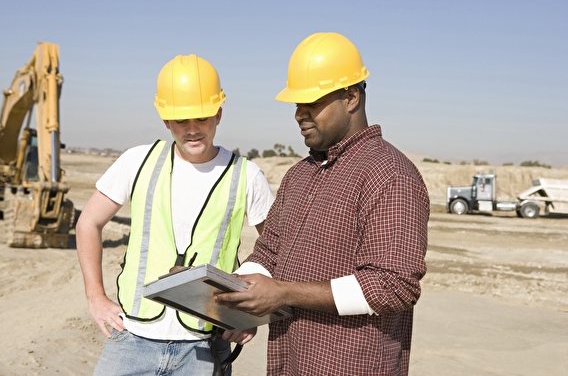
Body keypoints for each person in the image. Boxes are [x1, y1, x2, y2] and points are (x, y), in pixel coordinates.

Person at [214, 32, 430, 375]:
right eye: (296, 104)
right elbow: (269, 252)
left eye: (311, 102)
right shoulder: (299, 175)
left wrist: (283, 293)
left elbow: (393, 286)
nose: (299, 114)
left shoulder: (390, 175)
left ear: (351, 97)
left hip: (352, 365)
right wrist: (232, 295)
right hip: (291, 362)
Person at [76, 53, 274, 376]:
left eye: (202, 118)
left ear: (218, 115)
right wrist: (95, 297)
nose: (192, 130)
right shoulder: (137, 162)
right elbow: (88, 223)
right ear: (166, 120)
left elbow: (278, 251)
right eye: (181, 120)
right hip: (132, 340)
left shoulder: (247, 176)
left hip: (204, 346)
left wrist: (249, 316)